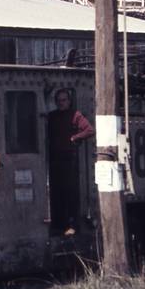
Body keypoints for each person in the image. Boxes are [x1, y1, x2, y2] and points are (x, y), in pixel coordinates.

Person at [47, 89, 95, 234]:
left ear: (69, 101)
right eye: (59, 100)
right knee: (58, 192)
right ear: (55, 102)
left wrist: (76, 137)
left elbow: (90, 130)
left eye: (64, 100)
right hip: (55, 158)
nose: (61, 103)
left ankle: (72, 226)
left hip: (70, 158)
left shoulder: (76, 115)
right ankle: (60, 225)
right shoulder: (52, 116)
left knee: (71, 192)